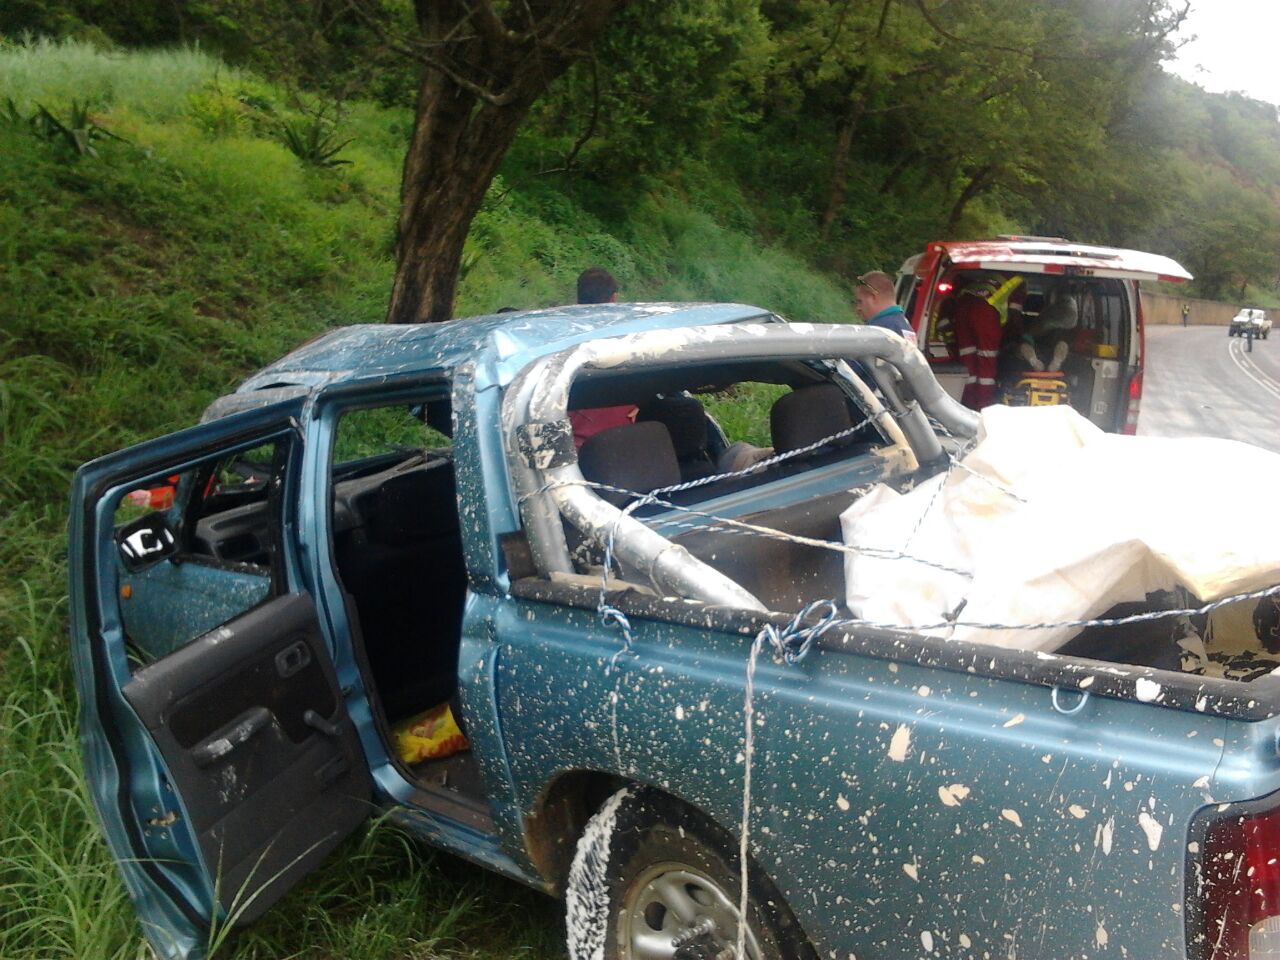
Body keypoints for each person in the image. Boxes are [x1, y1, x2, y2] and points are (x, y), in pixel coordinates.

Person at [571, 267, 633, 444]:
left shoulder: (563, 339)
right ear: (613, 299)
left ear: (578, 299)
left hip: (575, 449)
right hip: (623, 443)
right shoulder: (627, 340)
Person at [953, 276, 1004, 410]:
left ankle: (967, 404)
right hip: (987, 313)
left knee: (967, 356)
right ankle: (983, 406)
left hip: (963, 306)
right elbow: (1015, 315)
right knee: (987, 359)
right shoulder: (1018, 283)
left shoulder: (976, 280)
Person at [854, 271, 917, 347]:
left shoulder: (878, 330)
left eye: (860, 301)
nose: (858, 308)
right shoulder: (905, 328)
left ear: (873, 297)